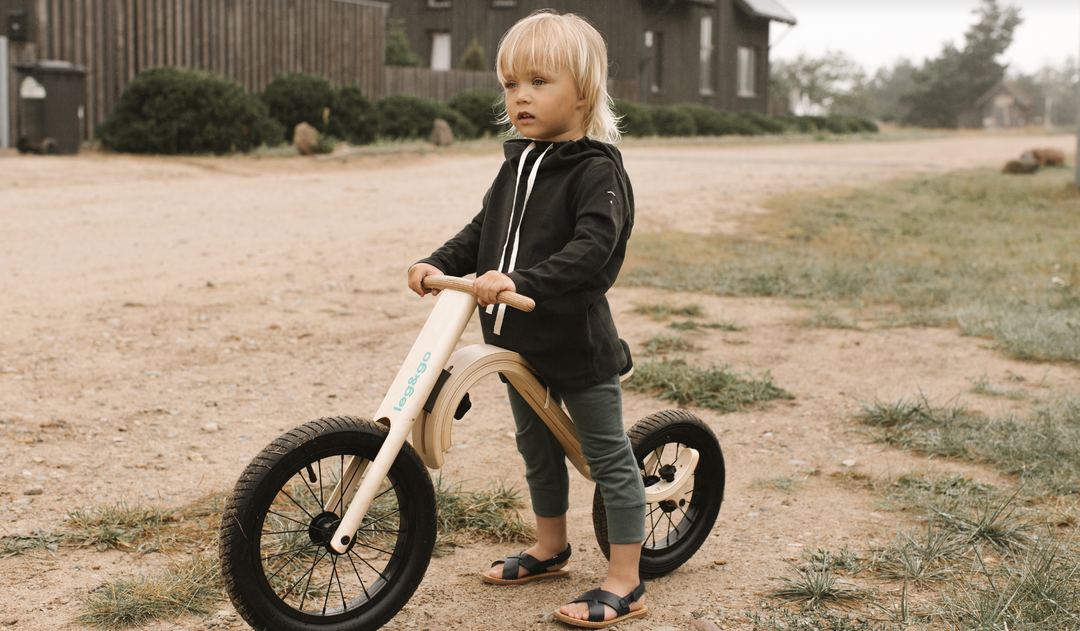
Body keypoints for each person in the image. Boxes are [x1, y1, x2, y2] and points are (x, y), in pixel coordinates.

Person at [407, 10, 646, 629]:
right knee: (536, 448)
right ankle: (551, 546)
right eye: (511, 84)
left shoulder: (597, 170)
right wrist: (439, 262)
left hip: (575, 344)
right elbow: (482, 230)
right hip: (518, 342)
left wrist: (522, 281)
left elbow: (592, 248)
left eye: (539, 82)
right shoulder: (517, 164)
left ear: (583, 92)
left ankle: (626, 579)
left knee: (608, 457)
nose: (520, 97)